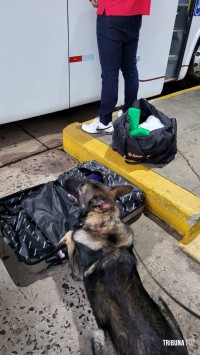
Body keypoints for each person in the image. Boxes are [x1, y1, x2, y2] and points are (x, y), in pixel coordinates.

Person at [82, 0, 151, 134]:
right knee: (130, 68)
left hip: (112, 12)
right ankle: (129, 114)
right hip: (135, 14)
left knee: (110, 73)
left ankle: (105, 121)